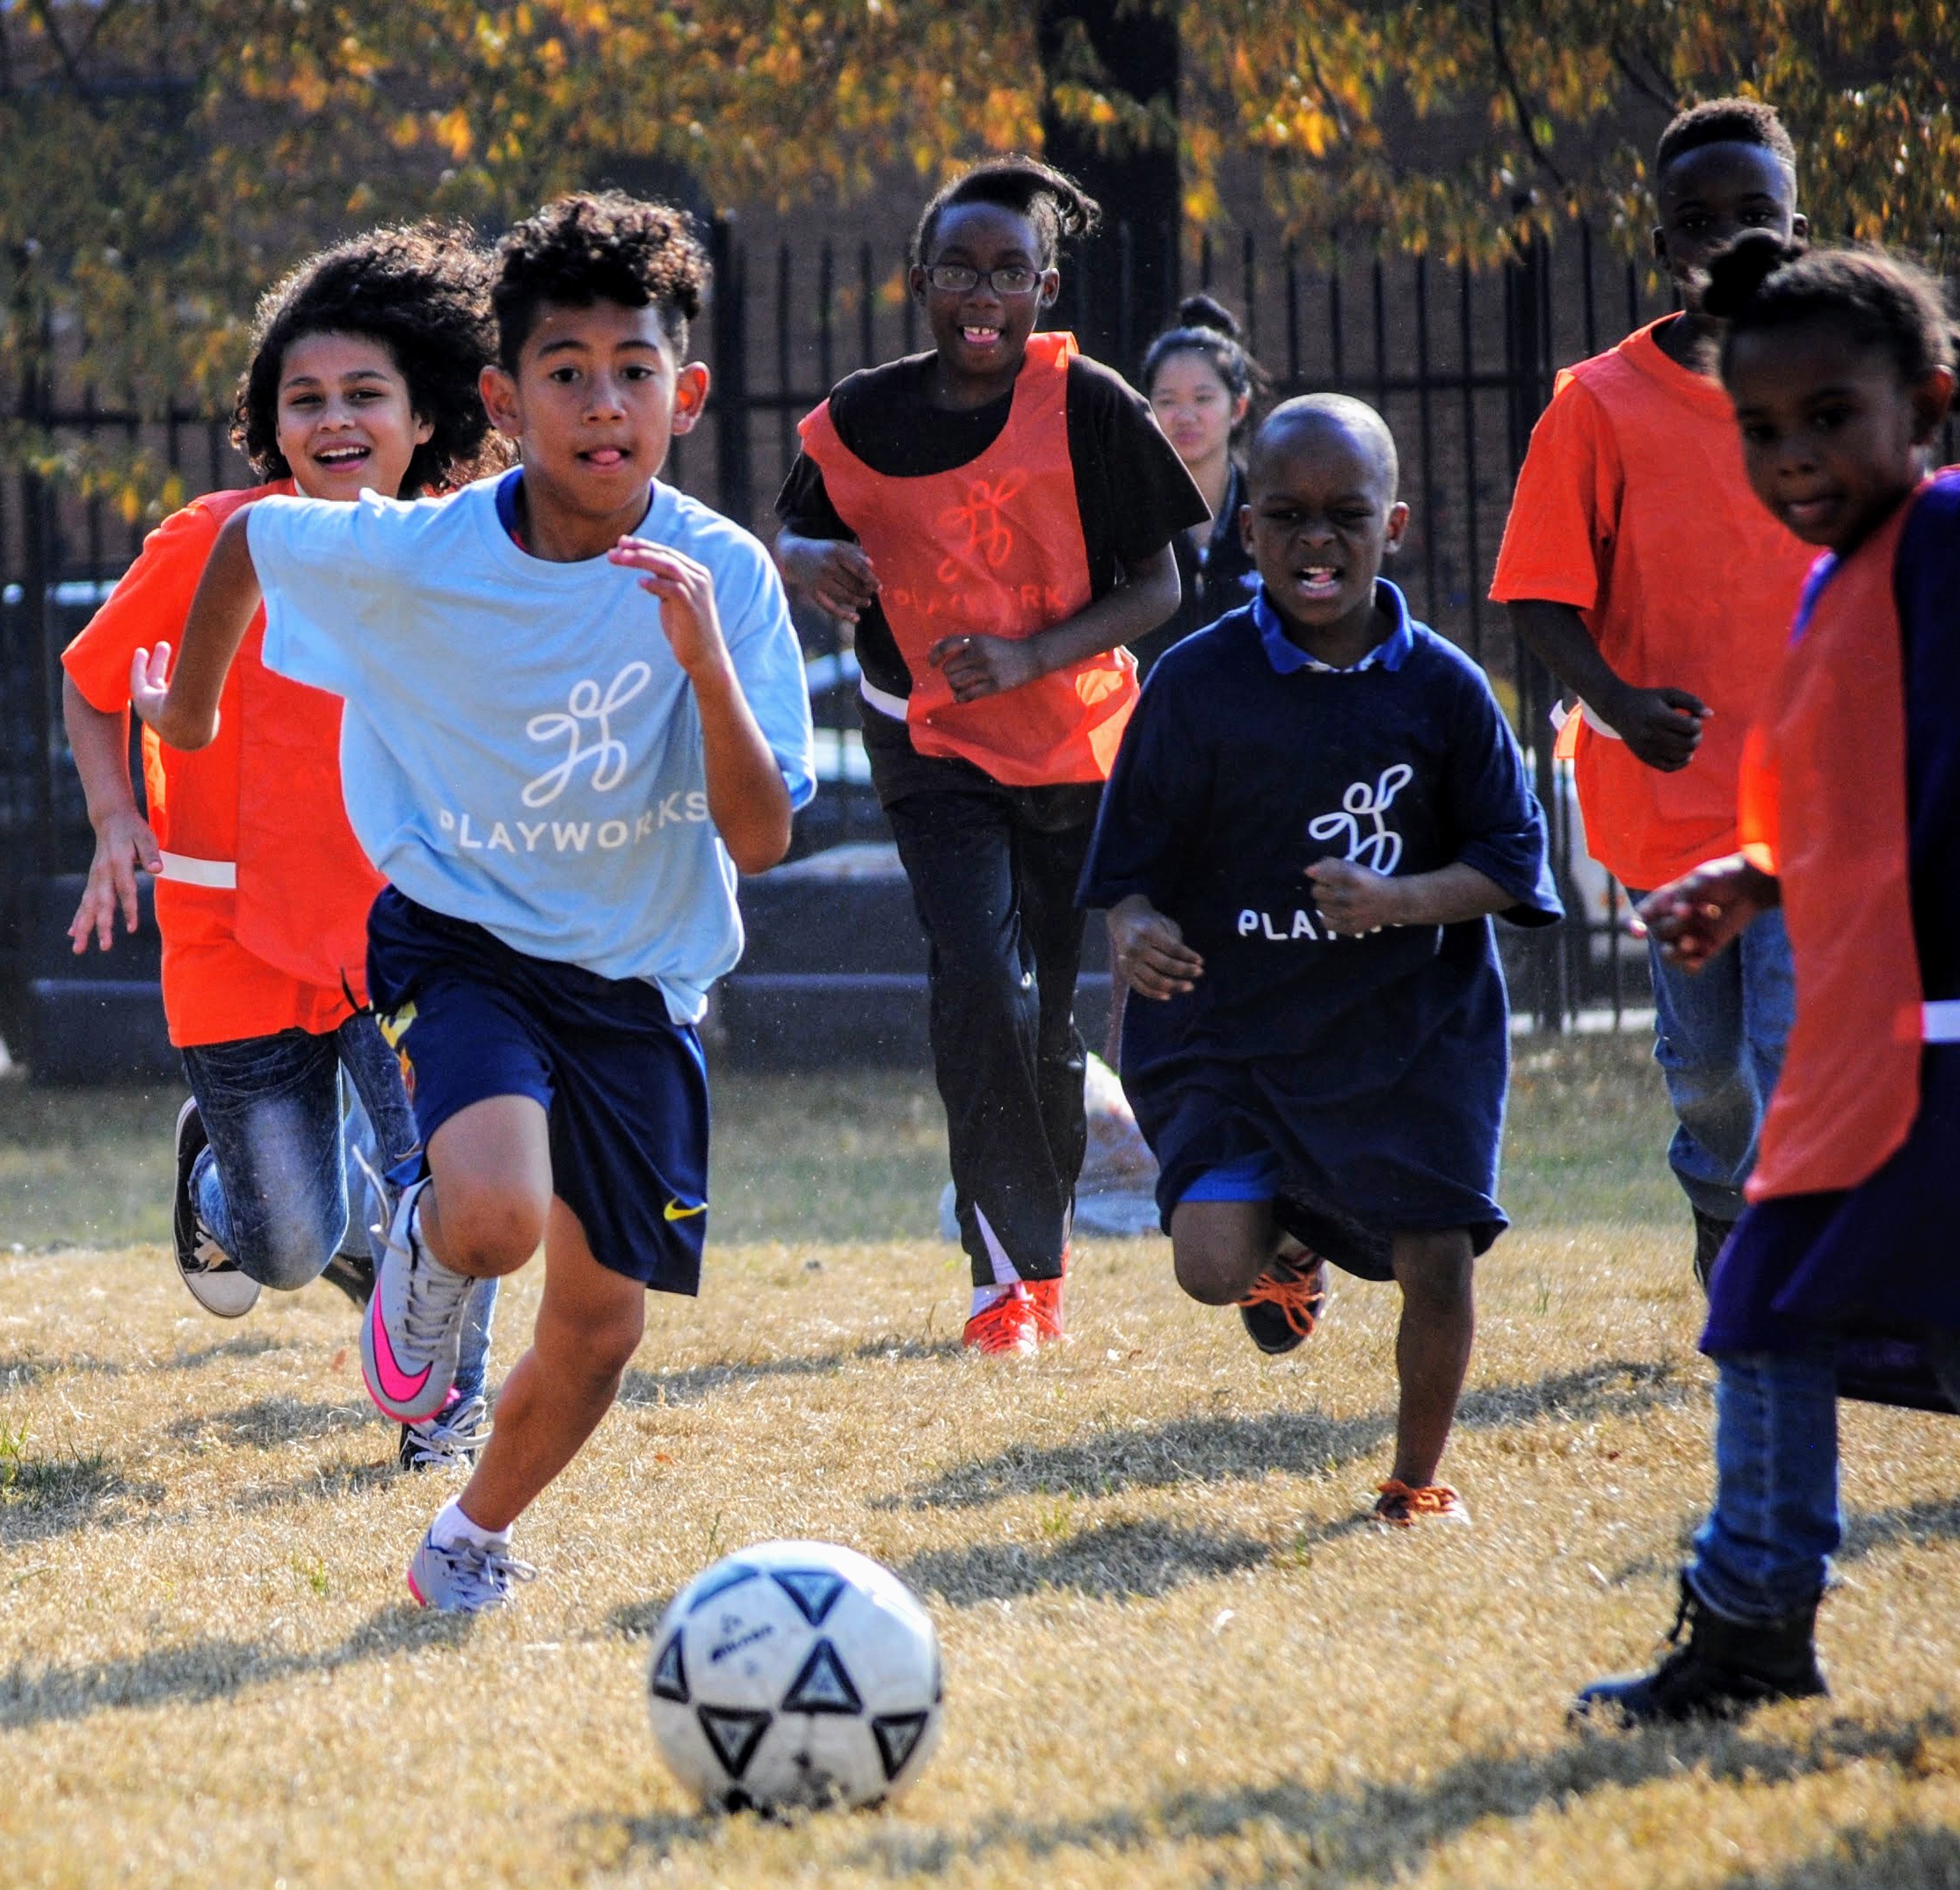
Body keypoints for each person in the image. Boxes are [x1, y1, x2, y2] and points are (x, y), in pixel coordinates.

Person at [134, 193, 812, 1610]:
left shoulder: (726, 577)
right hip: (460, 933)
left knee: (602, 1329)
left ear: (685, 395)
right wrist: (190, 714)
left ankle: (470, 1533)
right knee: (496, 1209)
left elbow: (758, 838)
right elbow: (255, 546)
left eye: (635, 370)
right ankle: (426, 1276)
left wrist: (702, 666)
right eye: (564, 372)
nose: (603, 403)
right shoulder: (428, 551)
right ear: (504, 400)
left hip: (639, 978)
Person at [1579, 237, 1960, 1725]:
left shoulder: (1936, 540)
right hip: (1879, 1040)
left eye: (1828, 416)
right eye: (1760, 427)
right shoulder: (1844, 577)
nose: (1792, 454)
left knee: (1767, 1302)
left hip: (1930, 1040)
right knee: (1776, 1303)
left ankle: (1748, 1619)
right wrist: (1753, 877)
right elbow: (1859, 793)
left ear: (1927, 406)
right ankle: (1750, 1619)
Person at [61, 224, 508, 1472]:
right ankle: (218, 1181)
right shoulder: (216, 539)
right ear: (272, 421)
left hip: (412, 935)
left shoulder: (469, 553)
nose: (335, 419)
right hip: (230, 939)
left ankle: (441, 1418)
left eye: (367, 394)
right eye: (304, 398)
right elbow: (92, 681)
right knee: (289, 1249)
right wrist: (116, 822)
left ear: (427, 415)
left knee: (458, 1186)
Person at [1085, 396, 1560, 1527]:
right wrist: (1131, 927)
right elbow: (1125, 868)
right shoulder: (1194, 686)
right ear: (1244, 530)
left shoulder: (1441, 690)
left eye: (1345, 516)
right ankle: (1285, 1240)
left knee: (1435, 1258)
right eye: (1286, 516)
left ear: (1391, 525)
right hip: (1235, 1031)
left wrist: (1399, 900)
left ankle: (1411, 1483)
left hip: (1405, 1031)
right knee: (1208, 1266)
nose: (1316, 542)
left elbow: (1508, 859)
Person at [773, 154, 1201, 1356]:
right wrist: (808, 565)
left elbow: (1162, 581)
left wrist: (1031, 657)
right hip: (929, 744)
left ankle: (1041, 1257)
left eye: (1009, 271)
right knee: (981, 980)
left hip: (1069, 742)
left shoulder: (1094, 408)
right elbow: (794, 529)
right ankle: (1001, 1279)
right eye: (959, 267)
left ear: (1044, 287)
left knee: (1051, 1014)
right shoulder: (864, 414)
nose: (983, 291)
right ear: (918, 279)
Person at [1493, 99, 1817, 1286]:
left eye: (1754, 216)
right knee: (1710, 1071)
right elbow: (1535, 596)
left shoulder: (1839, 388)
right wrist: (1622, 704)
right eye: (1697, 221)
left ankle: (1786, 1275)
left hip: (1809, 802)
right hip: (1665, 808)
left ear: (1799, 228)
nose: (1725, 239)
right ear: (1661, 242)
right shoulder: (1599, 403)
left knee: (1790, 1049)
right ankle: (1718, 1195)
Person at [1139, 295, 1264, 657]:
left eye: (1203, 399)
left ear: (1238, 407)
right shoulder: (1127, 513)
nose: (1185, 416)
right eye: (1167, 401)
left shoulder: (1268, 508)